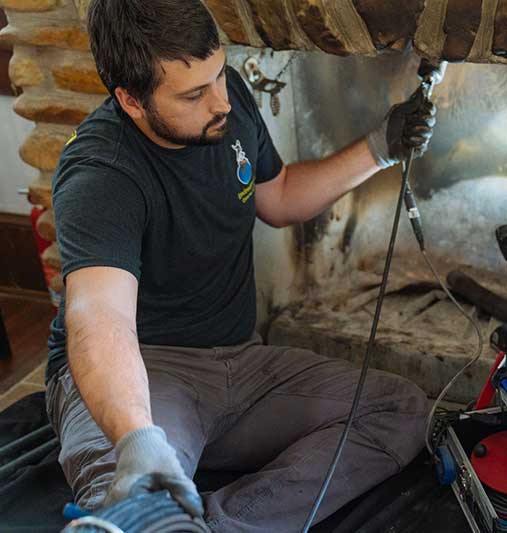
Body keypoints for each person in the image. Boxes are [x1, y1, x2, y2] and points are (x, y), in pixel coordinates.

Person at [45, 1, 438, 531]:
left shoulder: (224, 99)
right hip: (148, 369)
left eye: (218, 75)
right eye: (193, 94)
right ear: (131, 101)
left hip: (241, 364)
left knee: (402, 410)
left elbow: (278, 200)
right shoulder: (101, 173)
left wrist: (379, 147)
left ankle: (223, 523)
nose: (221, 101)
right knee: (133, 494)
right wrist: (138, 439)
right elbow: (100, 318)